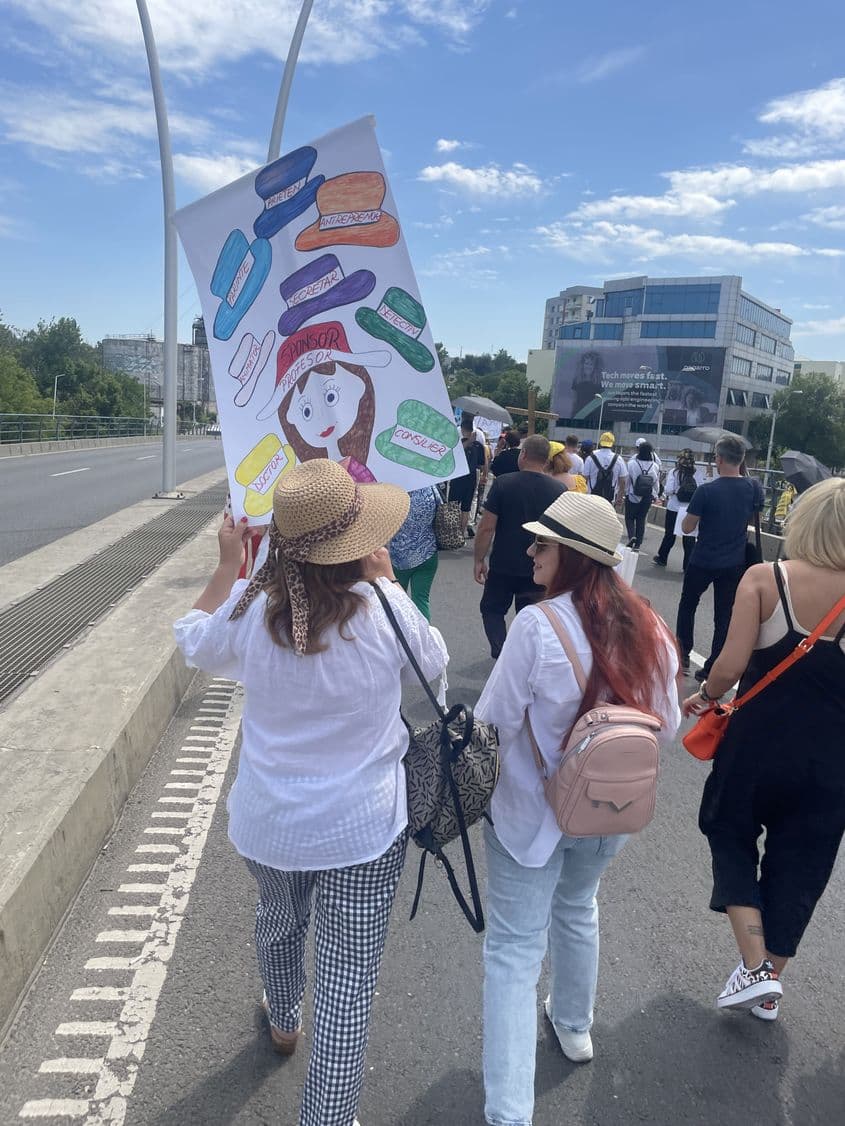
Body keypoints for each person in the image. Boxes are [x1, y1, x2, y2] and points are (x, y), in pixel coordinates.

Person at [173, 459, 448, 1126]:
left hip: (270, 822)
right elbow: (433, 666)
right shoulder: (387, 612)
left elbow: (191, 643)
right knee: (348, 990)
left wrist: (228, 567)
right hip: (364, 827)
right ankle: (325, 1117)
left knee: (278, 917)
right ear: (358, 541)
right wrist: (389, 585)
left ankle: (283, 1015)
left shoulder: (253, 608)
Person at [475, 492, 680, 1124]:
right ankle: (574, 1027)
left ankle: (511, 1111)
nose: (530, 550)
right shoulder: (650, 625)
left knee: (513, 951)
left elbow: (492, 724)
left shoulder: (538, 627)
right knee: (578, 905)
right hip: (611, 809)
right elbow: (665, 726)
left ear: (572, 556)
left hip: (532, 813)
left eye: (542, 543)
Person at [682, 478, 845, 1021]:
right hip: (832, 760)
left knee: (727, 828)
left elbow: (727, 668)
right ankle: (769, 981)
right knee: (804, 863)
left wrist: (703, 697)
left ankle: (755, 969)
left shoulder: (765, 578)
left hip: (756, 746)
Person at [676, 435, 763, 679]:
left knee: (688, 604)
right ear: (742, 459)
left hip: (702, 559)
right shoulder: (753, 488)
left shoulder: (706, 491)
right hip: (734, 562)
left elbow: (687, 527)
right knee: (723, 615)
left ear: (719, 459)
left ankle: (682, 653)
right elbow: (753, 514)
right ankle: (712, 666)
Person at [473, 435, 564, 659]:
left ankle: (501, 649)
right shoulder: (559, 490)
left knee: (492, 609)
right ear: (546, 460)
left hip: (503, 562)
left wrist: (478, 559)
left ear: (523, 455)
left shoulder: (504, 483)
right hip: (539, 566)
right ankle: (522, 658)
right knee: (532, 615)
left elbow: (486, 528)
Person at [388, 486, 441, 621]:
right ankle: (424, 637)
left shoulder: (395, 494)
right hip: (428, 551)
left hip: (400, 556)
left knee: (398, 600)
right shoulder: (431, 488)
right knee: (421, 599)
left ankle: (400, 636)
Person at [653, 449, 704, 569]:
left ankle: (662, 558)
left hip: (674, 508)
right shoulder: (698, 473)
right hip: (691, 510)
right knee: (689, 538)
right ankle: (687, 565)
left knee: (669, 535)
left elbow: (668, 490)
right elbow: (701, 490)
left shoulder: (674, 472)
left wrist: (676, 491)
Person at [450, 418, 488, 539]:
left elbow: (454, 454)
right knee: (465, 507)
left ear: (462, 429)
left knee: (454, 505)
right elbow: (483, 463)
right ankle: (460, 534)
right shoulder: (478, 445)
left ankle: (453, 533)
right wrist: (484, 474)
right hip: (471, 477)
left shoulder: (458, 443)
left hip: (458, 476)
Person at [623, 440, 660, 550]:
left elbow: (627, 480)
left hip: (633, 495)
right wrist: (656, 495)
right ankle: (638, 544)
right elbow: (655, 483)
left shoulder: (631, 464)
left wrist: (625, 492)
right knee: (641, 519)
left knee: (629, 517)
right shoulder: (654, 466)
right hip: (647, 497)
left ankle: (631, 536)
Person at [584, 432, 626, 506]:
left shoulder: (590, 457)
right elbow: (622, 481)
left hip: (591, 498)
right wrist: (619, 497)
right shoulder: (618, 459)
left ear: (600, 442)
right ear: (612, 444)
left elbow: (585, 478)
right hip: (609, 499)